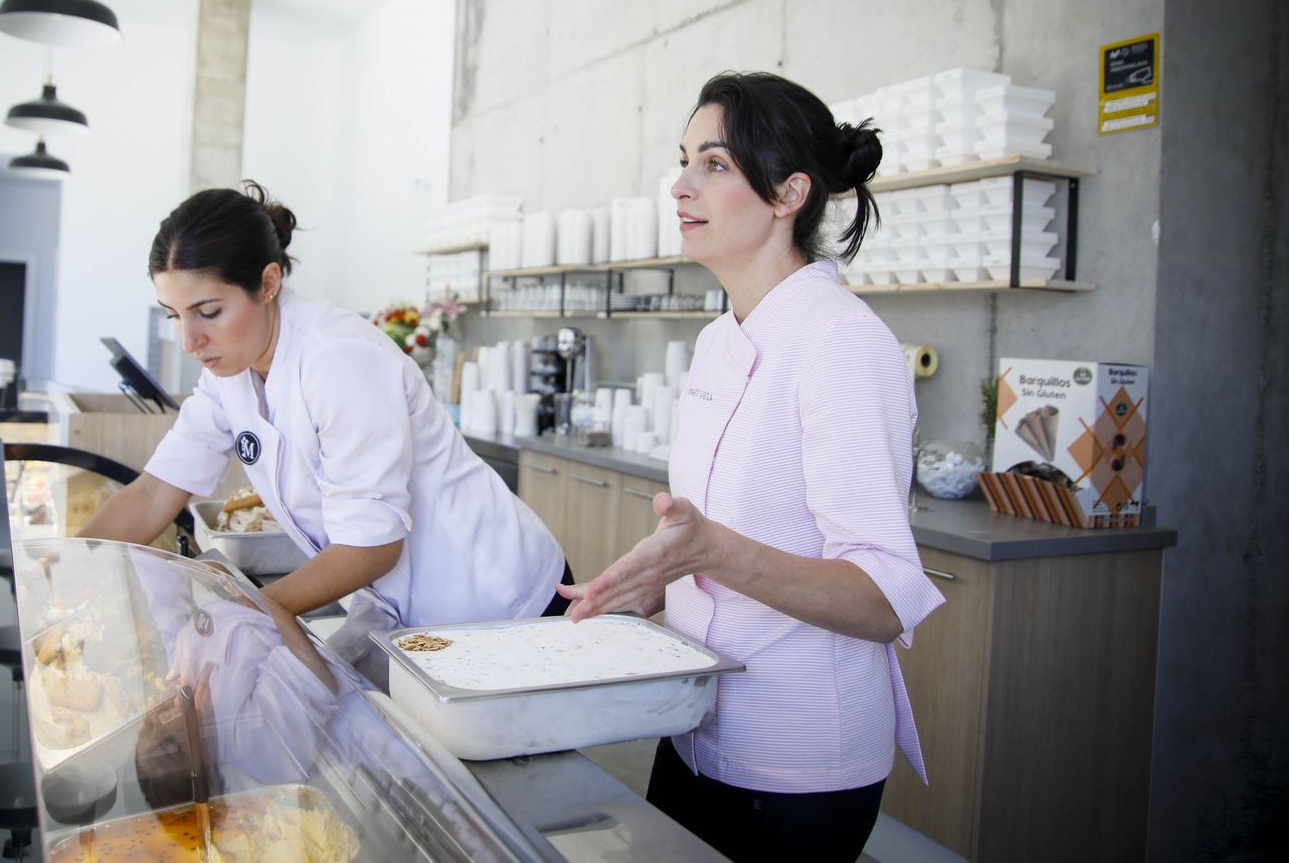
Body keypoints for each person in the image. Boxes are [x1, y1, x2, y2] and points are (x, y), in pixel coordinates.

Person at [558, 72, 945, 862]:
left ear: (789, 194)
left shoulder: (842, 341)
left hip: (796, 763)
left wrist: (710, 553)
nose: (680, 186)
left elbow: (882, 598)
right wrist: (654, 582)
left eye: (715, 164)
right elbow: (721, 528)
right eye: (684, 161)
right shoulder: (718, 339)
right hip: (692, 726)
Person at [80, 183, 567, 686]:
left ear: (268, 282)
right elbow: (155, 492)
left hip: (501, 605)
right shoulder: (229, 372)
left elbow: (372, 547)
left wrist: (246, 614)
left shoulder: (338, 359)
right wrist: (64, 569)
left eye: (208, 312)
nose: (189, 340)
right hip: (407, 612)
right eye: (174, 315)